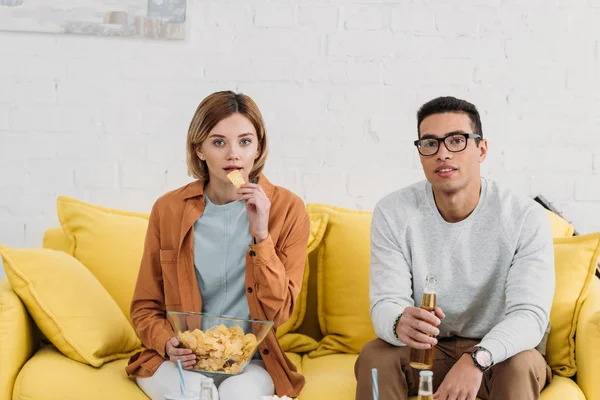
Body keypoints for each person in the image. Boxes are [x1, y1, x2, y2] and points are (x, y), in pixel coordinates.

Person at [354, 96, 555, 400]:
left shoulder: (525, 216)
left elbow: (529, 315)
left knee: (521, 363)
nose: (443, 153)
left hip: (497, 353)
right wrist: (398, 323)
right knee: (374, 356)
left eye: (457, 140)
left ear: (481, 149)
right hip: (426, 350)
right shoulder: (392, 212)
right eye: (430, 143)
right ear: (420, 152)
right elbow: (385, 302)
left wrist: (477, 357)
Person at [125, 91, 310, 400]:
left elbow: (280, 311)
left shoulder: (287, 208)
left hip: (251, 362)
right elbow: (145, 306)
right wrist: (166, 342)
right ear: (199, 149)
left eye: (245, 142)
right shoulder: (168, 209)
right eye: (219, 142)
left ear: (259, 148)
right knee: (198, 395)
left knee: (237, 396)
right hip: (181, 361)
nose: (233, 155)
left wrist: (262, 235)